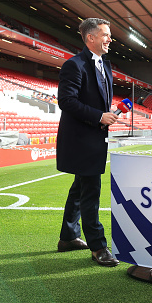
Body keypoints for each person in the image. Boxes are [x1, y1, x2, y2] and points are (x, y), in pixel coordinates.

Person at [56, 17, 120, 267]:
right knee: (91, 191)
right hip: (82, 140)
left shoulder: (105, 64)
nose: (110, 39)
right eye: (105, 34)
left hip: (95, 136)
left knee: (79, 189)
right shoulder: (74, 65)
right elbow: (66, 101)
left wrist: (105, 114)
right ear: (90, 38)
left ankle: (68, 237)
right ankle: (98, 246)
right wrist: (98, 116)